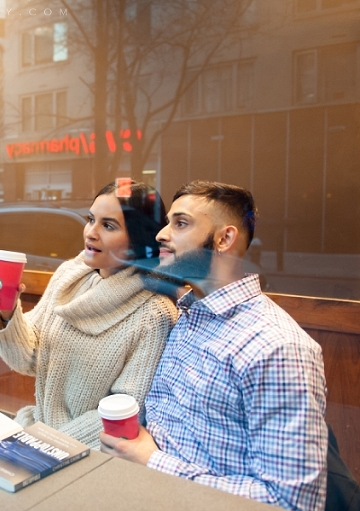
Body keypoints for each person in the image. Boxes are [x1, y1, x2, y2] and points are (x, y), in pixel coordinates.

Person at [99, 181, 328, 511]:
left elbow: (292, 502)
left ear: (224, 239)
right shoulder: (191, 314)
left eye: (180, 223)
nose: (162, 234)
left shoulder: (276, 348)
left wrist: (153, 461)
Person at [0, 181, 177, 448]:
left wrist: (43, 445)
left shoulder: (154, 312)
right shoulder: (71, 275)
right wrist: (8, 312)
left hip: (89, 454)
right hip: (37, 433)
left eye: (108, 225)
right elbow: (27, 360)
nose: (91, 233)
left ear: (138, 239)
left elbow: (125, 414)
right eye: (91, 219)